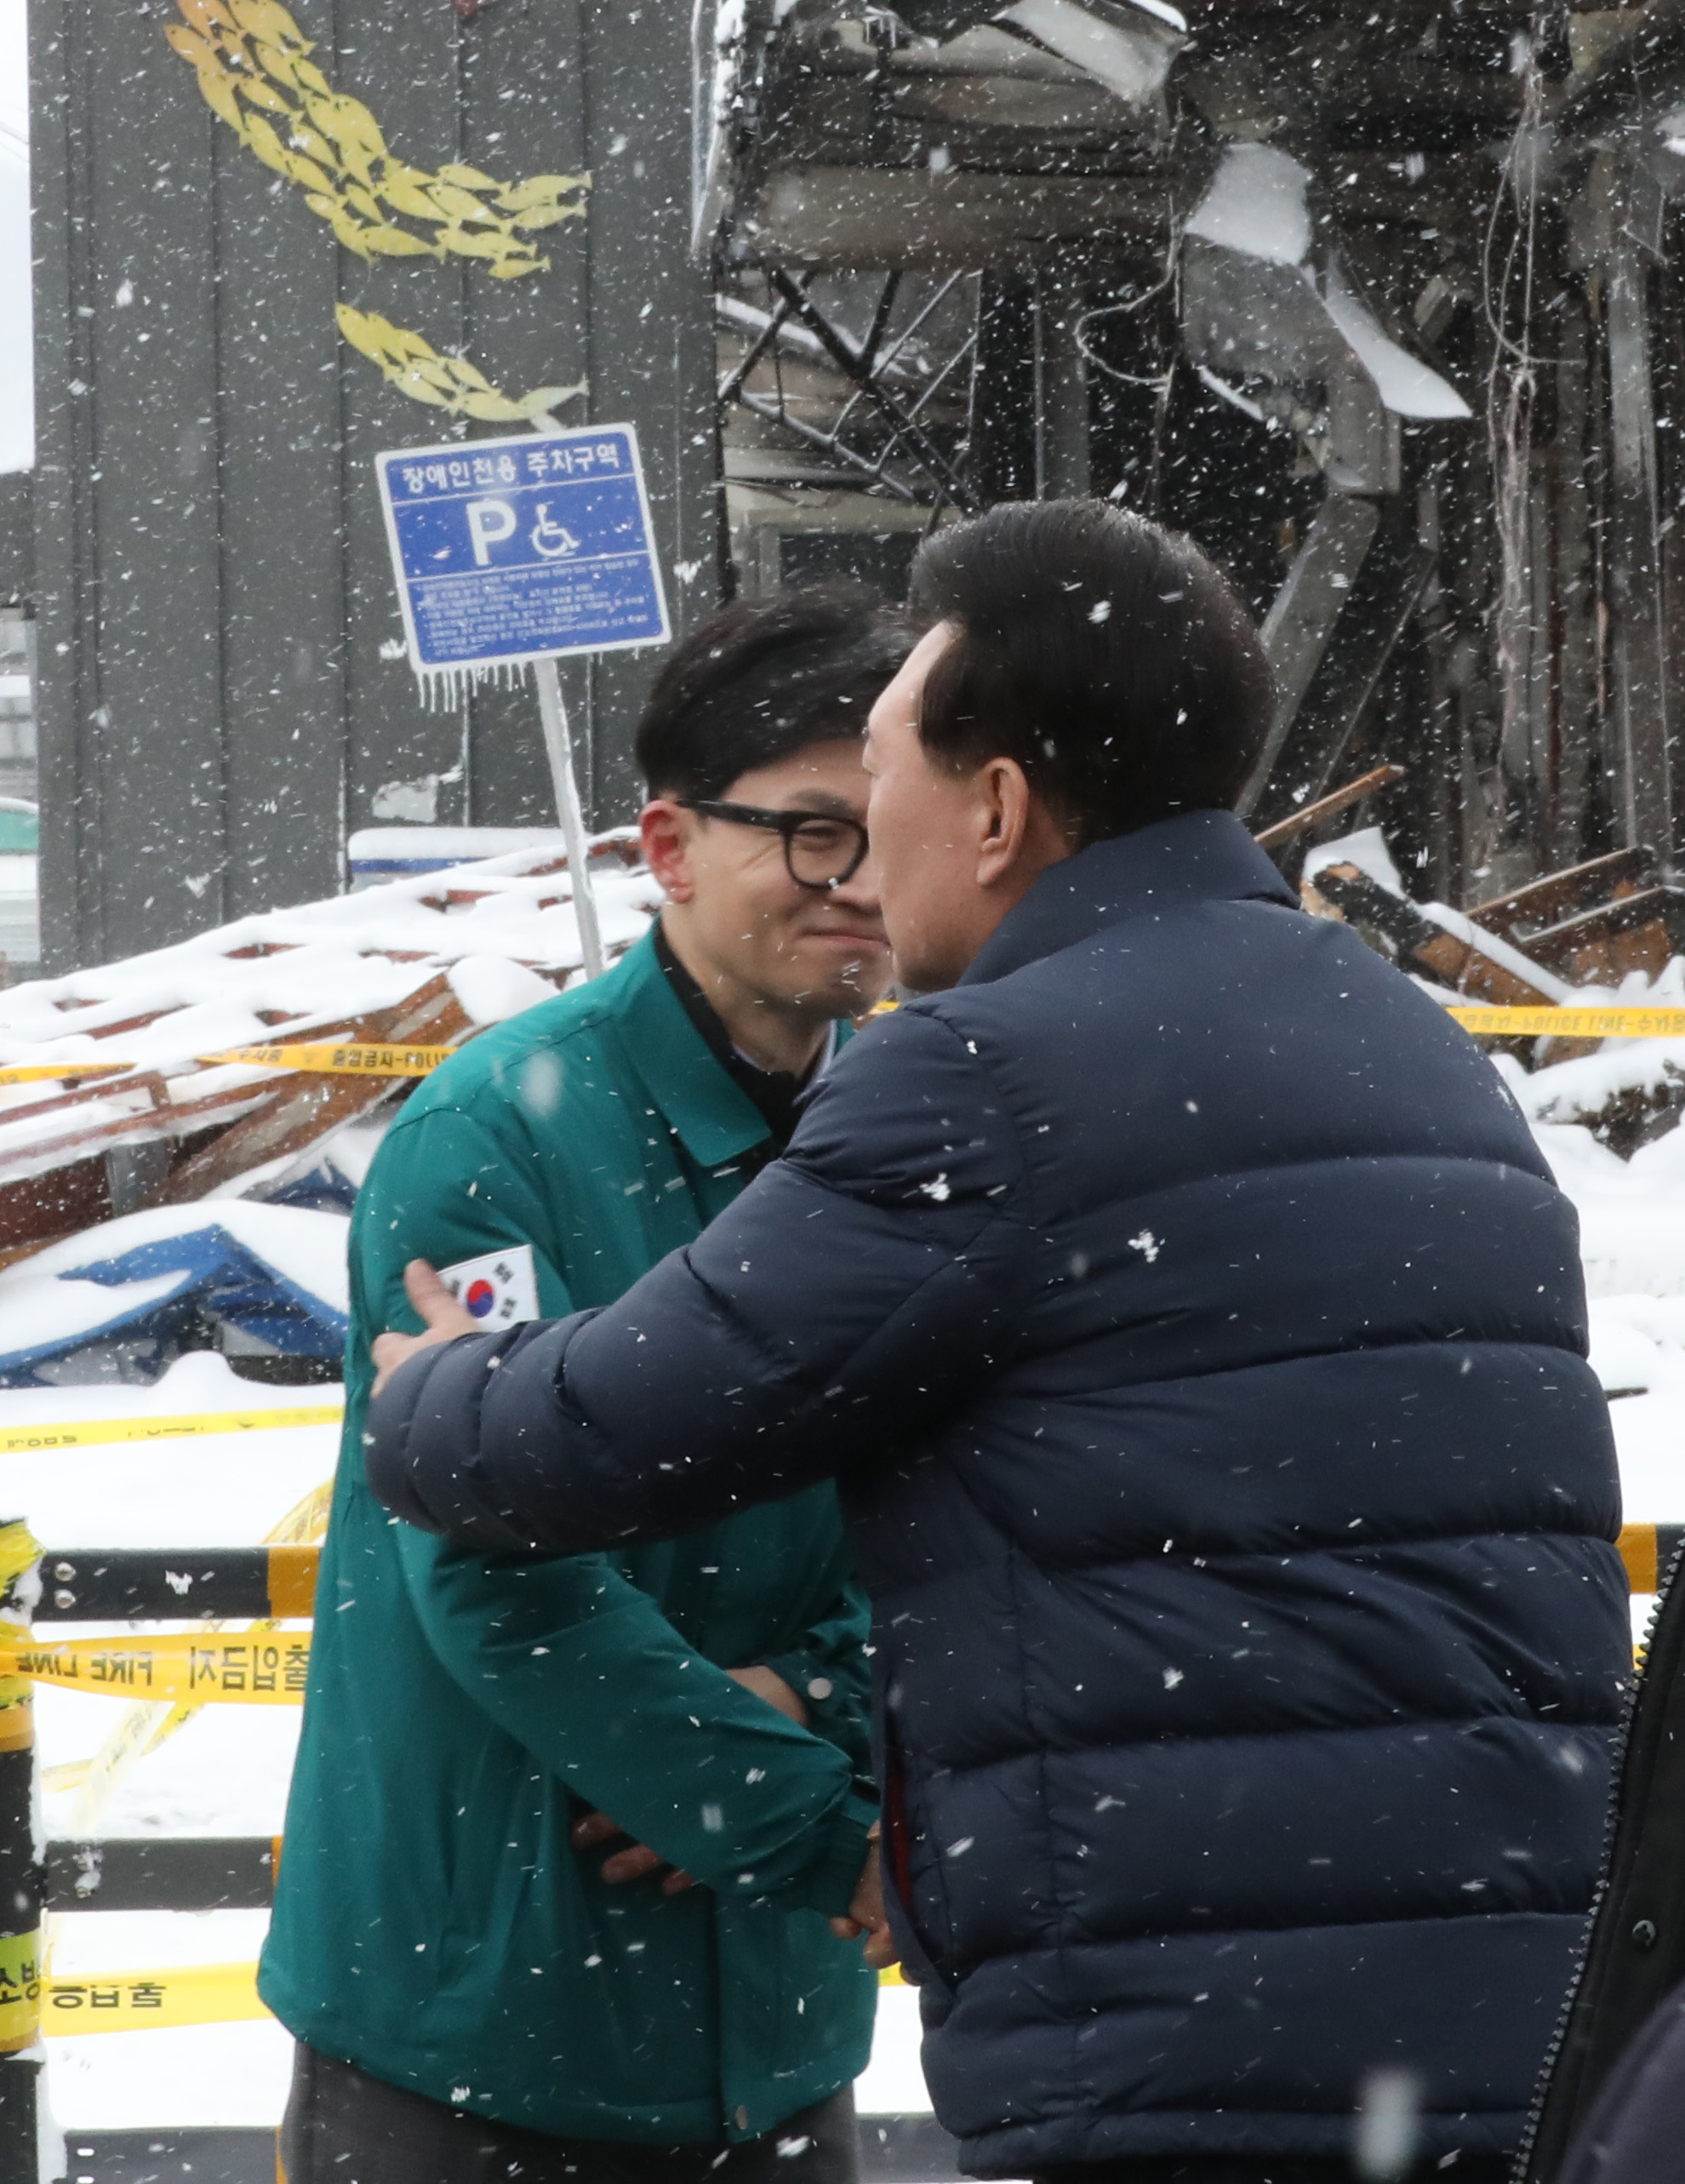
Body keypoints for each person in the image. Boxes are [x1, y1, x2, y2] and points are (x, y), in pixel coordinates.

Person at [364, 500, 1628, 2184]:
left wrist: (428, 1392)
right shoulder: (1402, 1034)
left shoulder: (983, 1073)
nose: (864, 865)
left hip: (1203, 2028)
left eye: (877, 785)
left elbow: (608, 1429)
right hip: (1510, 2009)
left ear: (999, 804)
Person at [260, 586, 911, 2184]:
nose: (866, 886)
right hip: (481, 2022)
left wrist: (828, 1706)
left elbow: (964, 1520)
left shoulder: (913, 1130)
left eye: (895, 830)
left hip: (783, 2033)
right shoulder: (493, 1137)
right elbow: (495, 1570)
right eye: (816, 834)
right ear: (671, 848)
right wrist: (820, 1824)